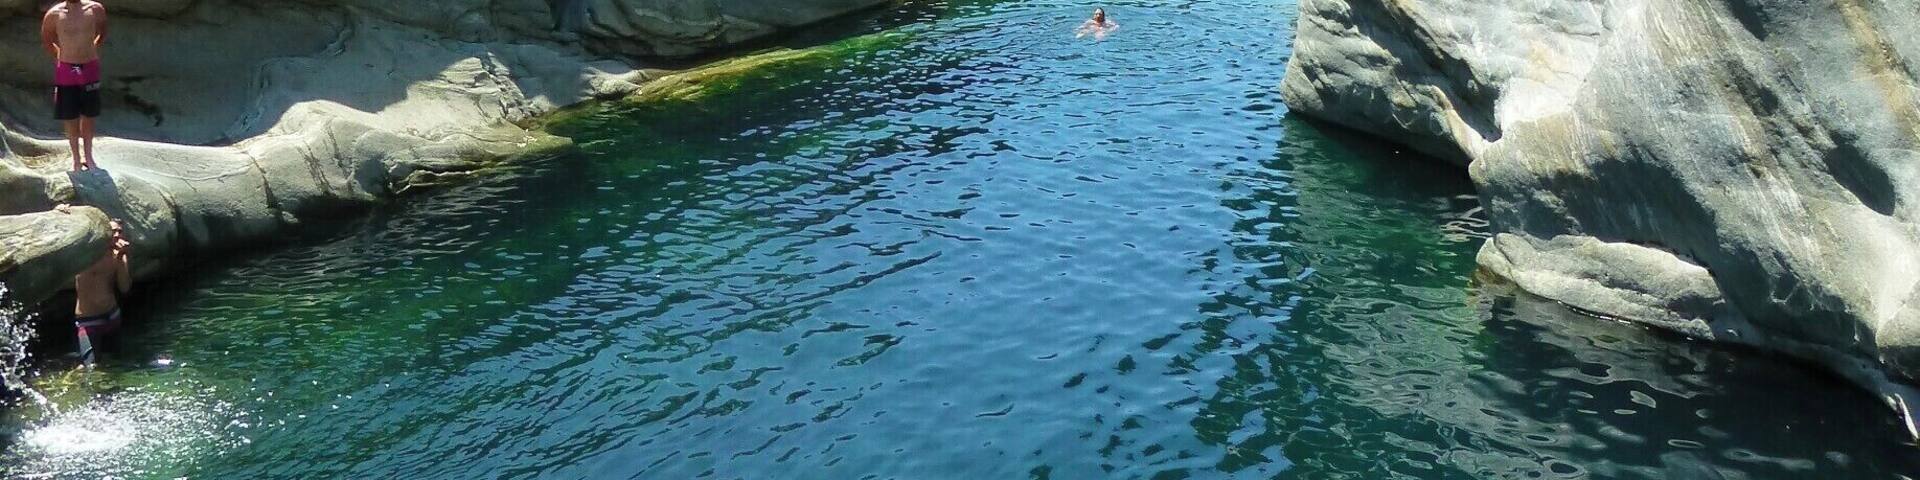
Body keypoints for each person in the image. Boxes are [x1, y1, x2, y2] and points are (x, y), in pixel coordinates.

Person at [40, 0, 108, 172]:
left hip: (89, 67)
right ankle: (76, 159)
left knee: (89, 114)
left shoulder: (95, 9)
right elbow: (47, 41)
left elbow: (103, 32)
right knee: (70, 115)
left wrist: (91, 49)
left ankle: (89, 157)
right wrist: (63, 57)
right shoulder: (54, 14)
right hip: (67, 69)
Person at [73, 219, 131, 364]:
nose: (117, 235)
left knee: (115, 363)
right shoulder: (85, 253)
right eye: (113, 231)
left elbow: (124, 287)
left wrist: (121, 258)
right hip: (88, 321)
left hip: (112, 316)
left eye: (120, 231)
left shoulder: (119, 255)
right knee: (91, 367)